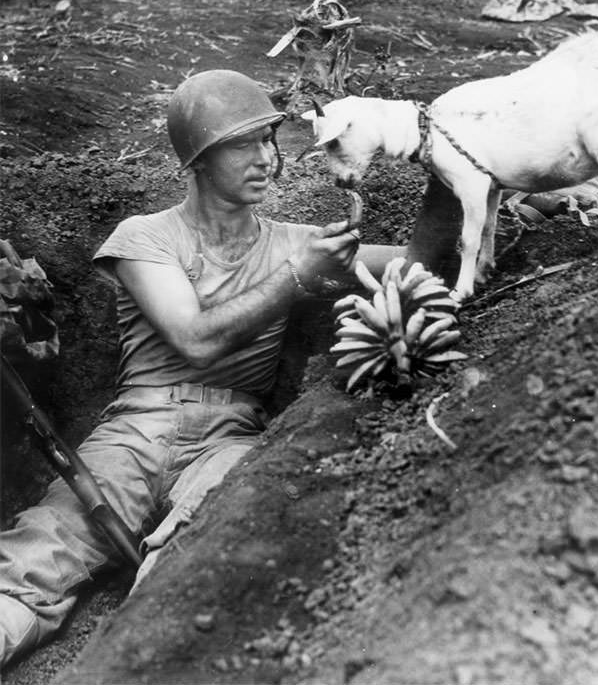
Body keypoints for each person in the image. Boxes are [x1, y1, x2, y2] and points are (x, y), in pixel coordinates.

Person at [0, 69, 402, 667]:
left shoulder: (299, 242)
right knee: (34, 560)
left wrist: (464, 182)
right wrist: (296, 275)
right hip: (135, 432)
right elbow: (195, 339)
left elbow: (424, 263)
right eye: (244, 144)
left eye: (269, 140)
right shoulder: (145, 237)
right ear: (198, 160)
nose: (266, 157)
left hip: (233, 439)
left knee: (204, 563)